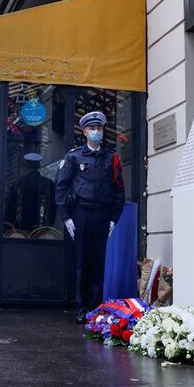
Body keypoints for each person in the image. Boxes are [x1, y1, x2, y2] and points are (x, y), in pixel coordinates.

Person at [55, 111, 125, 322]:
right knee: (83, 262)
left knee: (98, 262)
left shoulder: (111, 157)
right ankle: (82, 307)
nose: (96, 132)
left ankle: (96, 308)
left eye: (99, 129)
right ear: (84, 131)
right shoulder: (74, 156)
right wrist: (66, 217)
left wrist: (114, 218)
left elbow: (119, 190)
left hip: (102, 214)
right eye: (92, 129)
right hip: (81, 213)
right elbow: (61, 187)